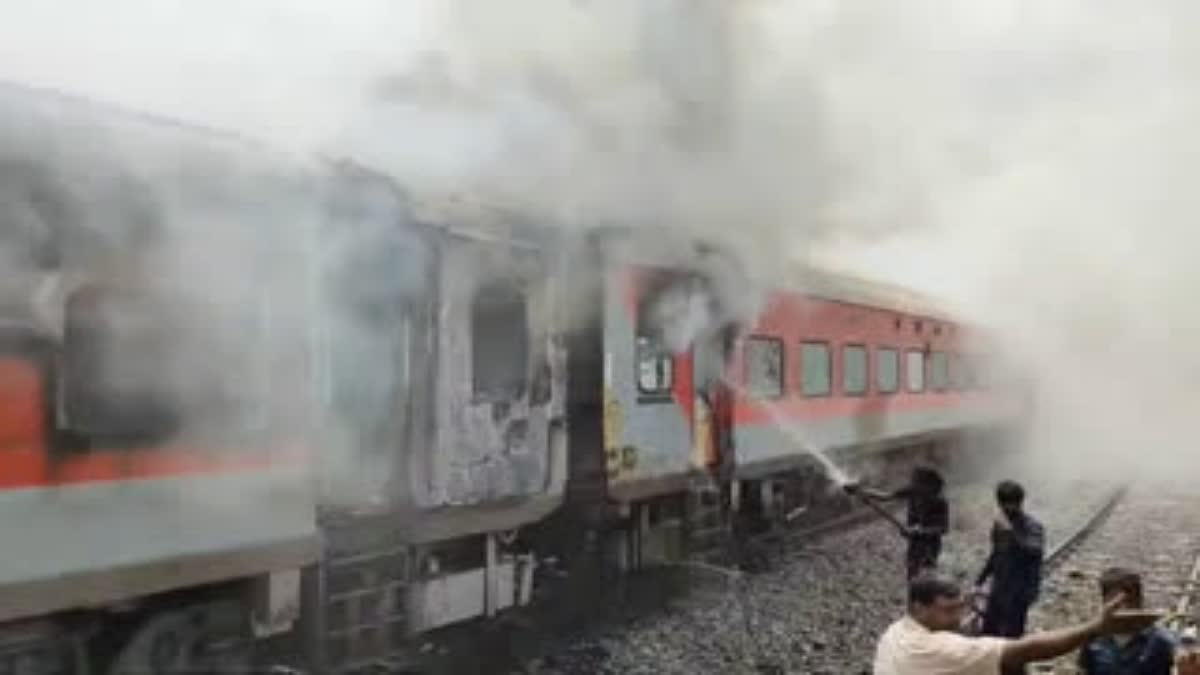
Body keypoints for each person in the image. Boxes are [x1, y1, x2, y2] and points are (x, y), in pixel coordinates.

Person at [874, 573, 1161, 675]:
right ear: (917, 607)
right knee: (1010, 662)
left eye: (960, 608)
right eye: (948, 610)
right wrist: (1095, 627)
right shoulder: (941, 649)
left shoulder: (895, 632)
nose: (958, 618)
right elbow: (1025, 650)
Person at [847, 466, 949, 579]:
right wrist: (861, 491)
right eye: (914, 481)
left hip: (930, 544)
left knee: (927, 572)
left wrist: (919, 531)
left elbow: (943, 528)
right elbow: (886, 496)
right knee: (912, 572)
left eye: (918, 481)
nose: (914, 484)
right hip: (915, 542)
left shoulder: (939, 501)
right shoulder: (912, 490)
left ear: (928, 484)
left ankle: (928, 592)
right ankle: (915, 593)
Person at [976, 480, 1044, 639]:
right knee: (989, 632)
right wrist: (979, 581)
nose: (1006, 509)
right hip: (999, 587)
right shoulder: (1000, 524)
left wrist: (1011, 534)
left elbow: (1034, 551)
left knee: (1012, 636)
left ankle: (1012, 664)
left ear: (1020, 503)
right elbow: (996, 554)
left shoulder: (1032, 526)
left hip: (1020, 590)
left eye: (1011, 504)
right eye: (1003, 504)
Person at [1078, 567, 1176, 675]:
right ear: (1105, 603)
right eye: (1115, 602)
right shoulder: (1093, 640)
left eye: (1130, 601)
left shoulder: (1162, 640)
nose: (1124, 608)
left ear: (1140, 601)